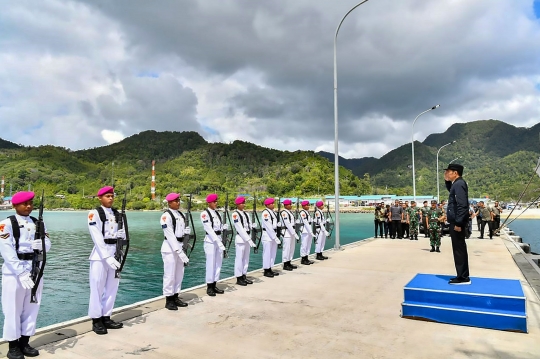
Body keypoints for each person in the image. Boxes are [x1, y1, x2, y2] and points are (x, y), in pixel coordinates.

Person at [0, 191, 51, 359]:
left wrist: (42, 244)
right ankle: (13, 346)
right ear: (15, 206)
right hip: (14, 273)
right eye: (24, 203)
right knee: (12, 309)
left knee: (31, 308)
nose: (29, 206)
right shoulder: (6, 224)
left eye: (30, 203)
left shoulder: (38, 223)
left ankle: (25, 343)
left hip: (35, 269)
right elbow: (6, 251)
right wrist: (20, 272)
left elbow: (48, 244)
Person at [87, 186, 126, 335]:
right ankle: (96, 320)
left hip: (115, 253)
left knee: (112, 288)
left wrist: (120, 235)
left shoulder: (117, 213)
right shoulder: (94, 214)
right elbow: (96, 237)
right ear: (100, 198)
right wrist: (106, 256)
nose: (110, 198)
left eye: (112, 196)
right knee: (97, 288)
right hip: (100, 256)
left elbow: (120, 234)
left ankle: (106, 316)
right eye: (107, 196)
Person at [160, 193, 190, 310]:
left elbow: (180, 231)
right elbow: (170, 235)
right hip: (170, 248)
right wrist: (180, 252)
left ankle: (176, 296)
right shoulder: (166, 216)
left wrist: (186, 232)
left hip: (180, 245)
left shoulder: (180, 214)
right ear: (169, 203)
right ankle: (169, 299)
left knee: (179, 274)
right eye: (175, 200)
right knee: (169, 275)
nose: (178, 202)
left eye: (179, 200)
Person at [444, 163, 471, 285]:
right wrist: (447, 181)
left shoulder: (459, 184)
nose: (446, 173)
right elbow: (451, 191)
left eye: (448, 171)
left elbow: (462, 205)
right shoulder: (456, 184)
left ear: (455, 173)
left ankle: (463, 277)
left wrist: (459, 223)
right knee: (458, 249)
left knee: (459, 249)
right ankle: (461, 275)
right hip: (455, 221)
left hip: (457, 223)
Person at [201, 194, 227, 296]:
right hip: (210, 241)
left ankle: (215, 284)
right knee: (210, 264)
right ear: (209, 203)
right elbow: (209, 229)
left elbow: (218, 227)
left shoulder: (218, 213)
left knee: (218, 264)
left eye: (216, 201)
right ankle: (209, 287)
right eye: (214, 201)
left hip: (219, 239)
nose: (216, 203)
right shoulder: (204, 214)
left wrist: (223, 228)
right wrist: (218, 241)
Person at [231, 196, 256, 285]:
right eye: (242, 203)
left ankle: (244, 275)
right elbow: (240, 228)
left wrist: (253, 226)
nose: (243, 205)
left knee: (246, 258)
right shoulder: (235, 214)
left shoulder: (246, 214)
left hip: (247, 237)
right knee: (239, 259)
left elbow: (248, 225)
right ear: (237, 204)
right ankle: (239, 277)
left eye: (244, 203)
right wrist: (248, 239)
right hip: (241, 239)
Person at [261, 198, 281, 277]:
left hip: (273, 234)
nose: (273, 204)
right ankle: (266, 270)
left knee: (272, 253)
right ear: (267, 205)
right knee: (267, 253)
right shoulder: (265, 213)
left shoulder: (273, 212)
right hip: (268, 235)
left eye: (273, 203)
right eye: (272, 203)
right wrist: (275, 237)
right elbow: (268, 227)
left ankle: (270, 268)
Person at [280, 199, 299, 271]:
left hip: (292, 231)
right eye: (289, 204)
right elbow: (287, 224)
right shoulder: (284, 213)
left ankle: (289, 262)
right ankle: (285, 264)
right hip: (287, 232)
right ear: (285, 205)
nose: (291, 205)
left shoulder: (290, 212)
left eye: (291, 204)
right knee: (286, 249)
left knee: (291, 248)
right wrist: (294, 233)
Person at [299, 200, 316, 264]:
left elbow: (310, 221)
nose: (308, 206)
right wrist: (311, 232)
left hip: (308, 230)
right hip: (304, 231)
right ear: (303, 206)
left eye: (308, 205)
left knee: (308, 244)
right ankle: (303, 259)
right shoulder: (302, 213)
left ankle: (306, 257)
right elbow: (305, 222)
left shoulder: (307, 212)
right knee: (304, 245)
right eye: (307, 205)